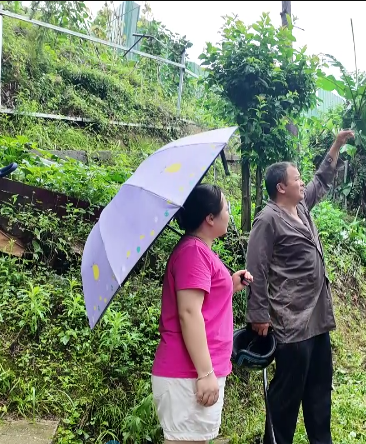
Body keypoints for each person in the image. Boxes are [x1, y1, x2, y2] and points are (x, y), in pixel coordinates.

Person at [245, 129, 355, 444]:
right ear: (282, 187)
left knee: (320, 392)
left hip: (318, 320)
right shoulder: (268, 220)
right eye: (296, 179)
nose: (302, 182)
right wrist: (258, 314)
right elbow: (257, 268)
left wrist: (336, 144)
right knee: (286, 399)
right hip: (291, 322)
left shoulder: (301, 207)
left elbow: (321, 179)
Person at [151, 184, 253, 444]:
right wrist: (205, 374)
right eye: (226, 207)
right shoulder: (193, 252)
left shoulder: (198, 250)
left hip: (194, 373)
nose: (229, 212)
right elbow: (188, 312)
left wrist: (230, 284)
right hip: (188, 374)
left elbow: (203, 302)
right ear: (210, 218)